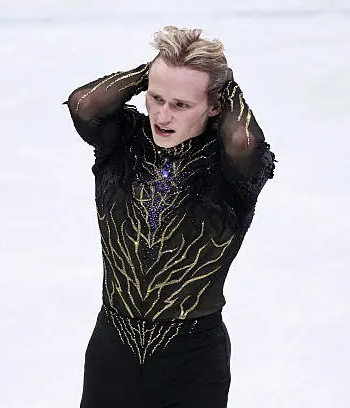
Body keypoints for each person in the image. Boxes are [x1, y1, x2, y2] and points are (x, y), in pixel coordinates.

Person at [63, 26, 276, 408]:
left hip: (192, 362)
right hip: (112, 353)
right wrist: (153, 72)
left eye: (180, 105)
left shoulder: (229, 169)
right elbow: (84, 103)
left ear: (214, 107)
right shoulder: (123, 141)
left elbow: (244, 141)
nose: (162, 115)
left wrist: (225, 86)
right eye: (156, 97)